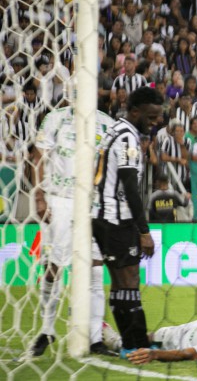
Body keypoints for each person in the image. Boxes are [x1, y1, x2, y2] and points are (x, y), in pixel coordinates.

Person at [29, 99, 116, 357]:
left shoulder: (105, 123)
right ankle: (47, 329)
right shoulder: (55, 119)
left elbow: (108, 167)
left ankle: (95, 338)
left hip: (93, 205)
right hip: (61, 199)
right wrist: (39, 197)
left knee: (96, 270)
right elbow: (38, 157)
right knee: (54, 268)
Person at [91, 86, 163, 356]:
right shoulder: (127, 138)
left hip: (103, 216)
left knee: (120, 282)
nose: (155, 123)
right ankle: (137, 344)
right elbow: (130, 186)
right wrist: (144, 231)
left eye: (158, 117)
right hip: (117, 219)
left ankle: (130, 342)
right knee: (129, 280)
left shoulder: (115, 131)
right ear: (135, 111)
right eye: (151, 117)